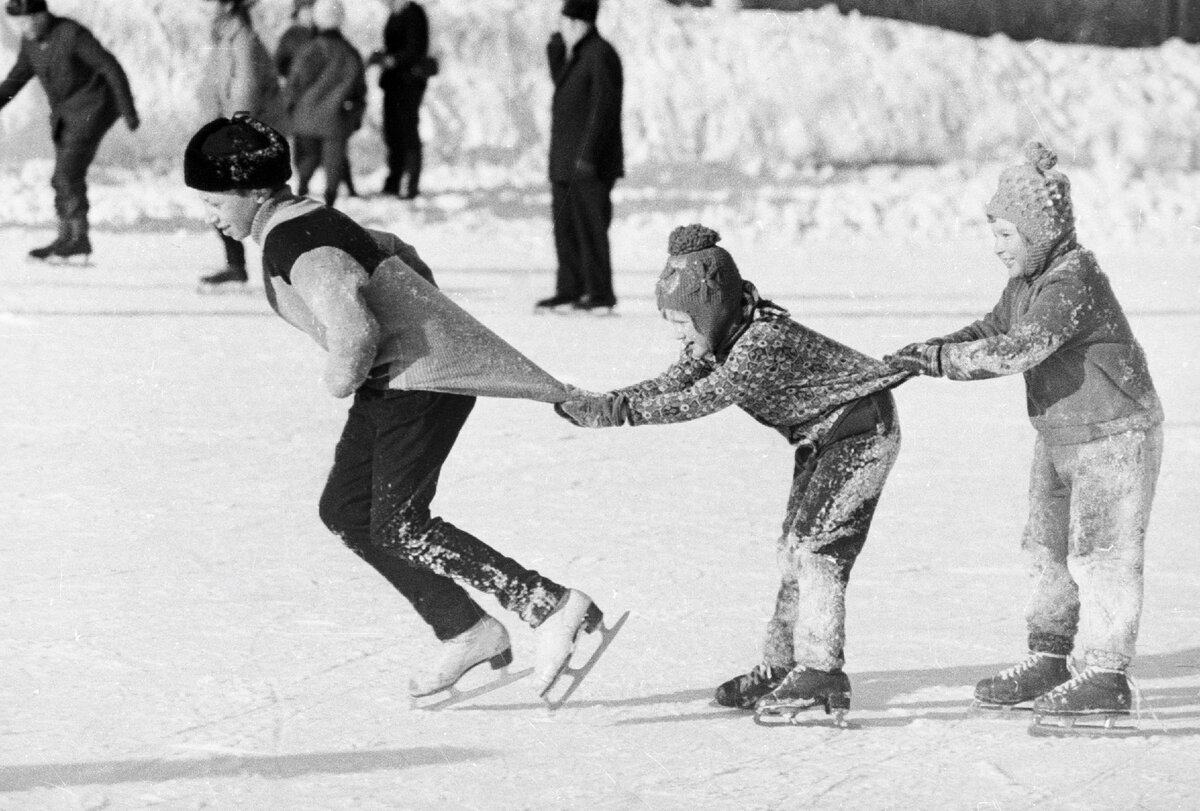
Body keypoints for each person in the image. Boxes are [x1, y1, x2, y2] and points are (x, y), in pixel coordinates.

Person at [183, 112, 608, 699]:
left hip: (420, 379)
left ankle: (550, 605)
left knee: (400, 523)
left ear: (252, 191)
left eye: (213, 204)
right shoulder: (306, 217)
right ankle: (467, 629)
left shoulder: (292, 238)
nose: (212, 218)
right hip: (395, 378)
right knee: (349, 508)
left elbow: (353, 329)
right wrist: (407, 310)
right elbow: (395, 252)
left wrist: (342, 372)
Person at [557, 224, 909, 722]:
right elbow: (674, 381)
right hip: (822, 436)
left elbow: (700, 399)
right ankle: (780, 666)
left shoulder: (759, 342)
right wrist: (607, 402)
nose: (678, 333)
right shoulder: (724, 333)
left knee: (816, 551)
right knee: (793, 550)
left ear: (711, 309)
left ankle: (821, 673)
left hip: (861, 430)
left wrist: (620, 414)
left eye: (683, 321)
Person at [885, 142, 1163, 723]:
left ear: (1039, 231)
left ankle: (1107, 673)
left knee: (1102, 554)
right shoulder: (1027, 282)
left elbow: (1019, 348)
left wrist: (942, 361)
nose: (997, 247)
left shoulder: (1072, 279)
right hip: (1060, 433)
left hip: (1114, 433)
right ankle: (1049, 657)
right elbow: (993, 327)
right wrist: (926, 351)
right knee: (1045, 550)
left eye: (1006, 234)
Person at [0, 0, 138, 262]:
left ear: (42, 15)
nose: (24, 26)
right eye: (19, 21)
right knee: (64, 176)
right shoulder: (30, 44)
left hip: (92, 110)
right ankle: (67, 237)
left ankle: (78, 239)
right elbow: (15, 80)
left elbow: (109, 66)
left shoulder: (71, 34)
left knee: (66, 175)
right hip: (66, 117)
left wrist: (128, 110)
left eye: (29, 19)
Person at [536, 0, 623, 314]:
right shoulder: (580, 54)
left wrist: (589, 156)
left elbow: (604, 109)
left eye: (569, 22)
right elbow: (565, 88)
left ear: (582, 23)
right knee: (566, 228)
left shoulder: (600, 54)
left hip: (589, 163)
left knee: (590, 228)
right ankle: (570, 288)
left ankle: (599, 292)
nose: (564, 28)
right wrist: (555, 54)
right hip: (565, 160)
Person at [197, 0, 284, 291]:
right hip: (232, 127)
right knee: (234, 198)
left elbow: (246, 85)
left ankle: (270, 266)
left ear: (229, 8)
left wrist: (237, 128)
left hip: (243, 130)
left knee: (245, 199)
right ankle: (243, 265)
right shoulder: (228, 37)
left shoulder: (241, 38)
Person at [283, 0, 365, 208]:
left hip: (306, 117)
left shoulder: (309, 50)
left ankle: (302, 190)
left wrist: (289, 108)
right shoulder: (351, 53)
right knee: (333, 163)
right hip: (336, 119)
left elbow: (294, 83)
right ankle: (330, 200)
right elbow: (360, 91)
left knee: (308, 158)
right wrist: (356, 116)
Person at [371, 0, 430, 199]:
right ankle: (394, 180)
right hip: (394, 82)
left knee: (407, 130)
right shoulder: (395, 13)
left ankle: (410, 184)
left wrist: (394, 60)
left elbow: (415, 49)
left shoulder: (413, 12)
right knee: (392, 132)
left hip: (409, 82)